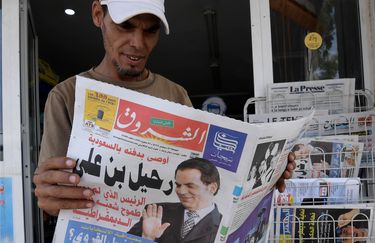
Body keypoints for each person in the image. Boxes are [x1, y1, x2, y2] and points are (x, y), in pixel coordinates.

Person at [33, 0, 296, 217]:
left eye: (150, 30)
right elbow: (50, 203)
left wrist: (266, 175)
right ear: (98, 15)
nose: (138, 42)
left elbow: (208, 181)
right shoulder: (67, 96)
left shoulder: (175, 95)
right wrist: (48, 196)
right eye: (125, 26)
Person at [128, 158, 222, 243]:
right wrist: (147, 238)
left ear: (212, 188)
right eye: (178, 185)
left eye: (190, 186)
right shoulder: (156, 212)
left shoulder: (223, 226)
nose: (181, 191)